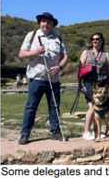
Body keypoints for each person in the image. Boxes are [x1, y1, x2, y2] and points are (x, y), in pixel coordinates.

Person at [18, 12, 68, 145]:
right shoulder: (32, 35)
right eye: (43, 21)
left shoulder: (59, 38)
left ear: (52, 25)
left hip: (54, 79)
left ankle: (55, 131)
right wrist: (36, 52)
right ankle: (25, 134)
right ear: (40, 23)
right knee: (31, 107)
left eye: (49, 22)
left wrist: (60, 67)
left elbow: (65, 57)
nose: (46, 24)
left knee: (54, 106)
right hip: (37, 78)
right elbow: (22, 54)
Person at [78, 32, 109, 140]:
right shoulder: (86, 53)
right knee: (92, 107)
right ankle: (86, 131)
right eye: (93, 39)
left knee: (99, 108)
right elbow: (80, 70)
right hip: (89, 83)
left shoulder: (106, 55)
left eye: (97, 39)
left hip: (102, 83)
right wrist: (79, 84)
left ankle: (96, 132)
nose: (95, 41)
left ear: (102, 40)